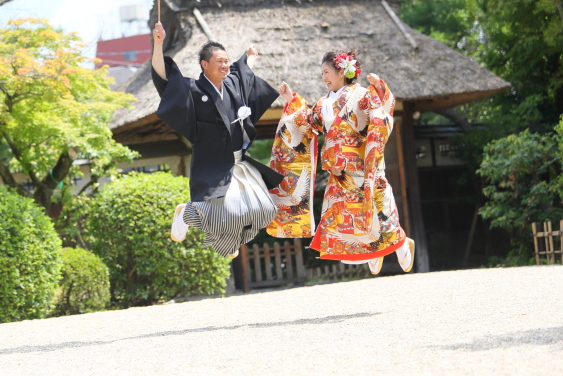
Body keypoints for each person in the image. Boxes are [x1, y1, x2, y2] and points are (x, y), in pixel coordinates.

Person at [268, 49, 415, 274]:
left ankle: (402, 244)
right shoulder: (322, 103)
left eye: (327, 72)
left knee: (378, 211)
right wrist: (291, 100)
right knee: (344, 220)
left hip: (364, 170)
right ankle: (372, 251)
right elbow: (308, 122)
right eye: (322, 73)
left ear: (341, 72)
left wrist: (380, 90)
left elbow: (382, 113)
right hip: (338, 172)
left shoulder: (363, 95)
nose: (324, 77)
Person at [151, 22, 284, 257]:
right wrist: (159, 43)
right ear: (204, 65)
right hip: (212, 161)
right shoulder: (193, 89)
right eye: (219, 61)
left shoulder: (232, 83)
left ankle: (230, 238)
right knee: (224, 213)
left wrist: (249, 57)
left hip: (238, 161)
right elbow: (164, 78)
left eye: (226, 61)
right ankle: (186, 213)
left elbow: (244, 73)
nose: (225, 65)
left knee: (264, 209)